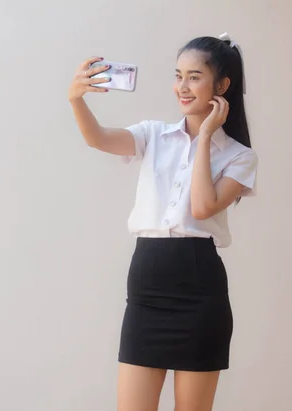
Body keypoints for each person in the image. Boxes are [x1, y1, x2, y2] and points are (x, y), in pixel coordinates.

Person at [67, 33, 258, 411]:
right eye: (178, 75)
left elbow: (202, 208)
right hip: (147, 285)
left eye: (194, 77)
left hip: (200, 290)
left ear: (222, 87)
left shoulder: (239, 156)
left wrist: (203, 138)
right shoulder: (153, 134)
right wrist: (76, 99)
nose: (182, 87)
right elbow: (98, 138)